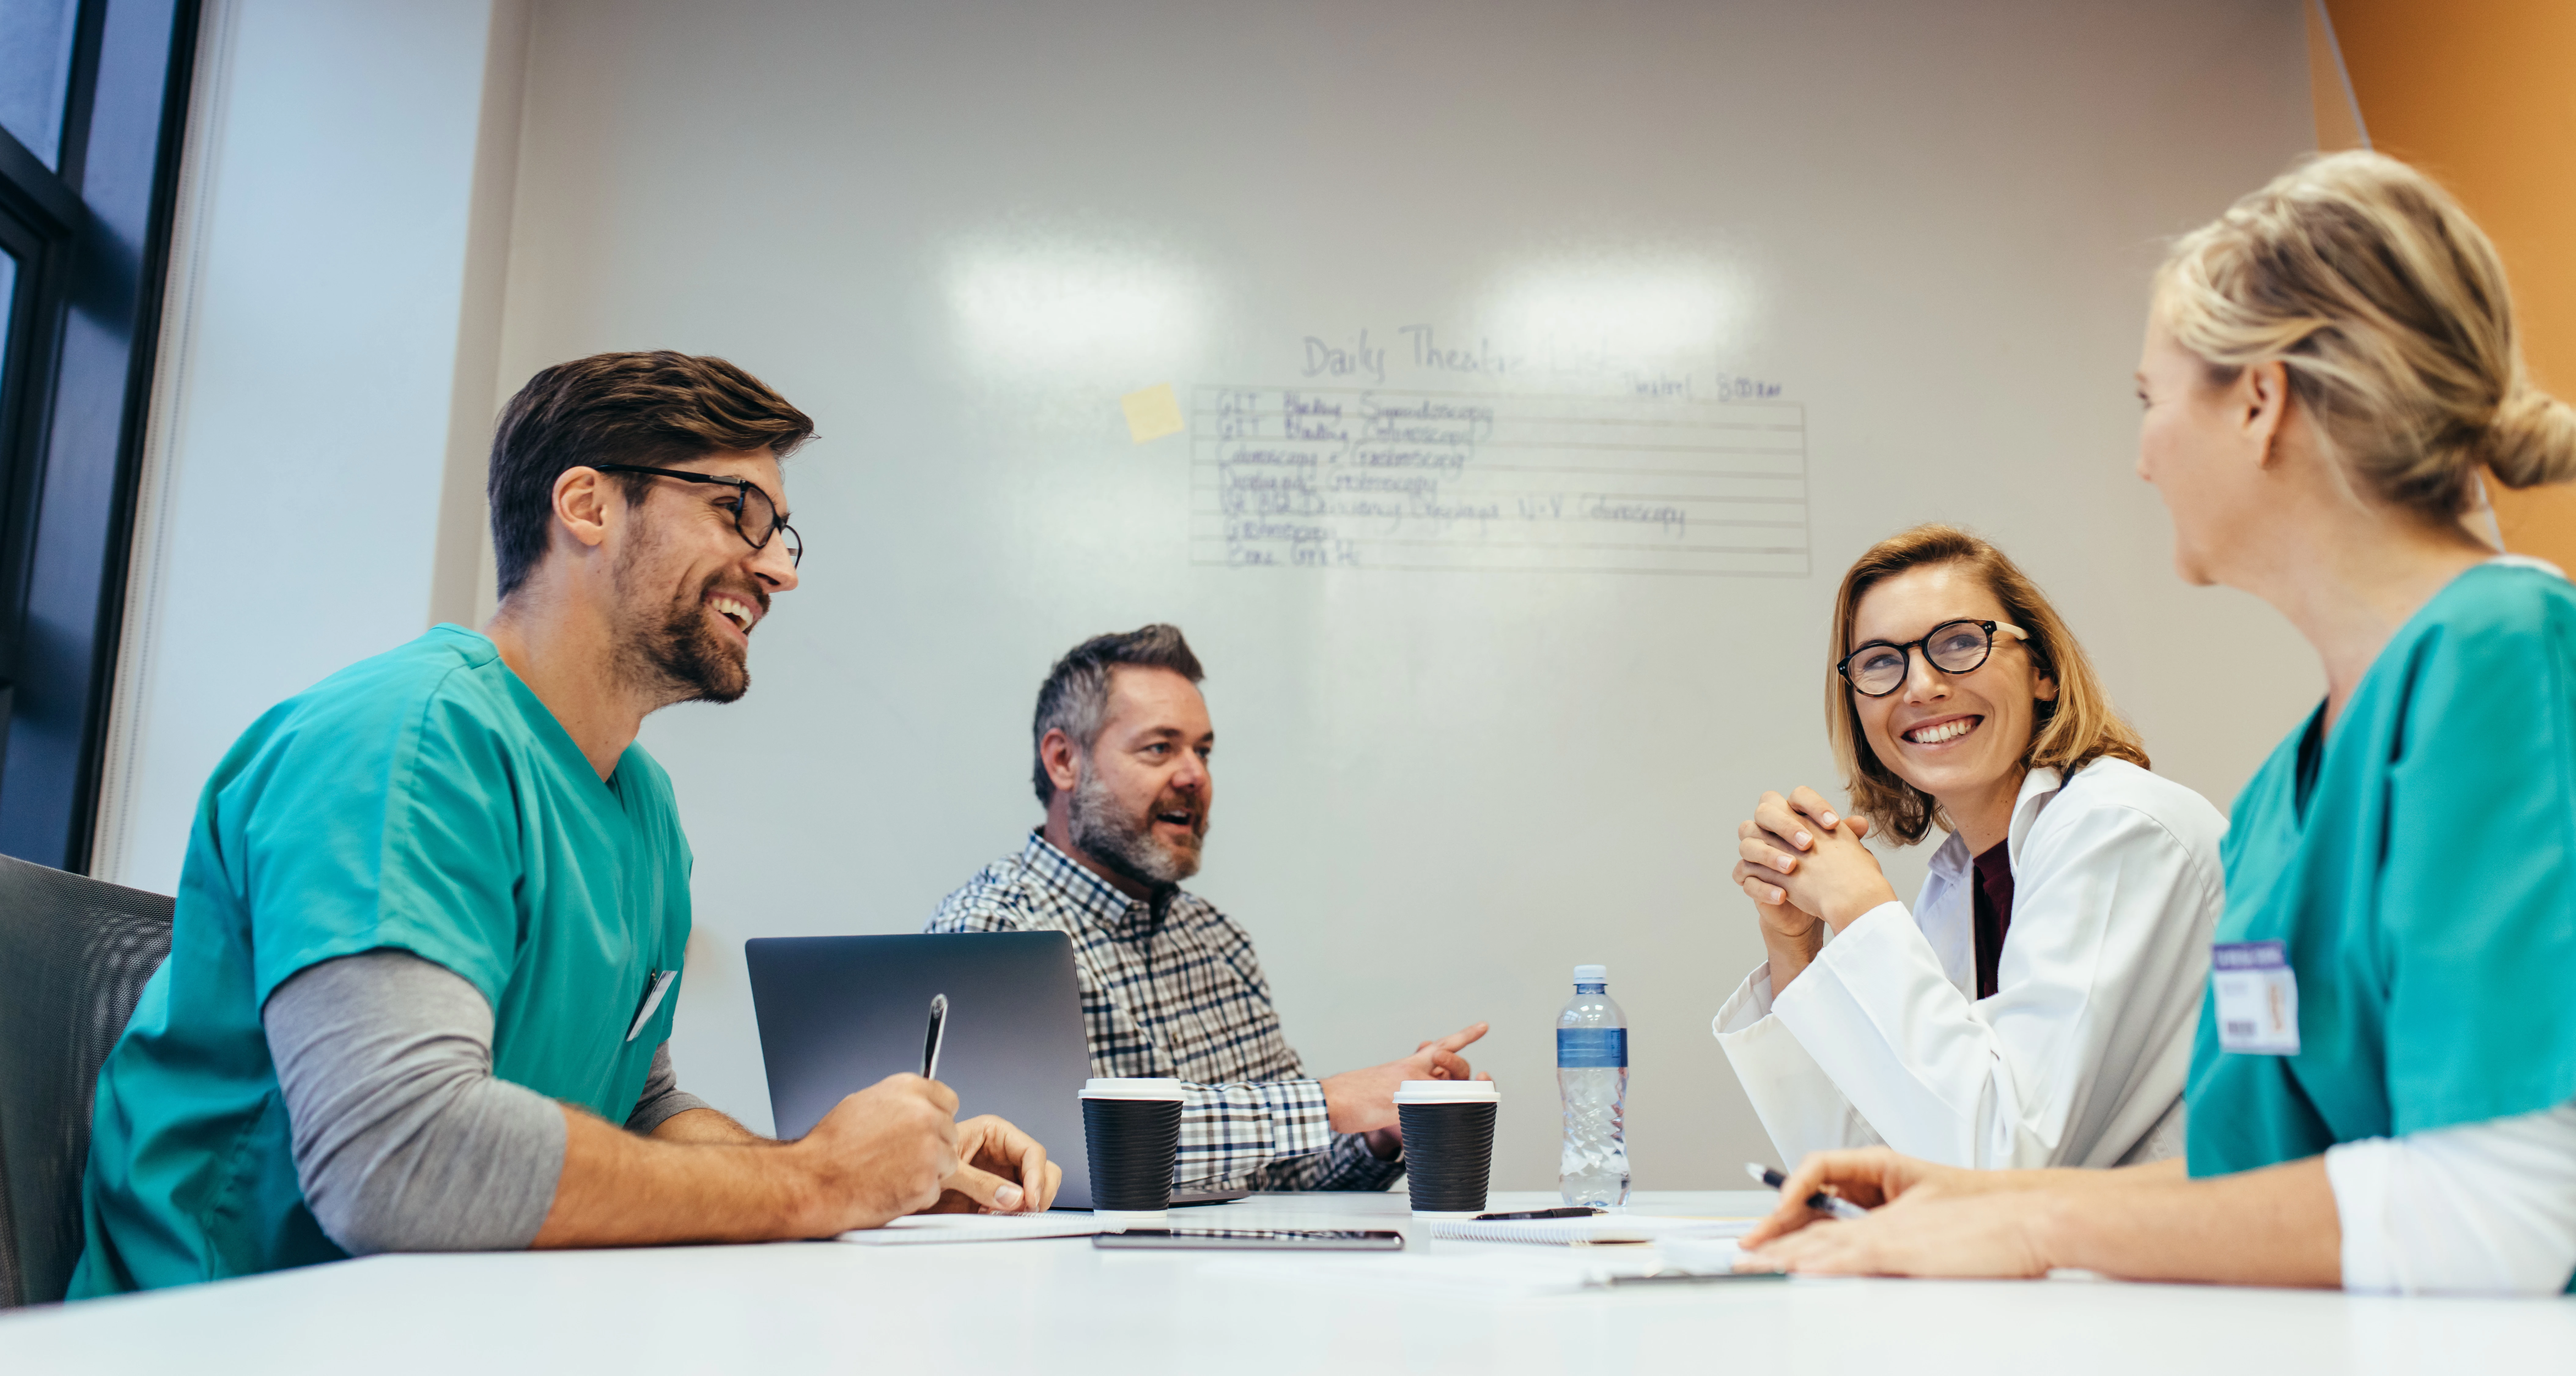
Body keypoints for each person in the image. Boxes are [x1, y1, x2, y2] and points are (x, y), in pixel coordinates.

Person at [1744, 151, 2576, 1295]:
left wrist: (2037, 1227)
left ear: (2258, 400)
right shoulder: (2293, 783)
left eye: (2150, 402)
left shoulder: (2502, 656)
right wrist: (1973, 1197)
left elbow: (2512, 1213)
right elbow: (2256, 1178)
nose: (2139, 460)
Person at [73, 352, 1058, 1297]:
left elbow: (636, 1109)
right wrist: (816, 1185)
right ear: (586, 505)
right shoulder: (407, 742)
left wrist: (876, 1174)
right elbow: (396, 1159)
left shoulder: (642, 805)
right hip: (241, 1330)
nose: (777, 571)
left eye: (780, 535)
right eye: (737, 513)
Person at [1715, 527, 2227, 1169]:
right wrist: (1797, 948)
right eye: (1879, 662)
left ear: (2042, 670)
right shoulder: (1961, 886)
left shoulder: (2122, 830)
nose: (1920, 686)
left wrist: (1862, 910)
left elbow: (2003, 1159)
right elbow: (1865, 1166)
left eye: (1959, 643)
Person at [926, 625, 1489, 1191]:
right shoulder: (990, 932)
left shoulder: (1216, 939)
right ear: (1063, 760)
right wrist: (1330, 1101)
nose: (1195, 775)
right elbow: (1040, 1161)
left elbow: (1290, 1173)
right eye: (1159, 748)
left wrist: (1380, 1130)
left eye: (1204, 751)